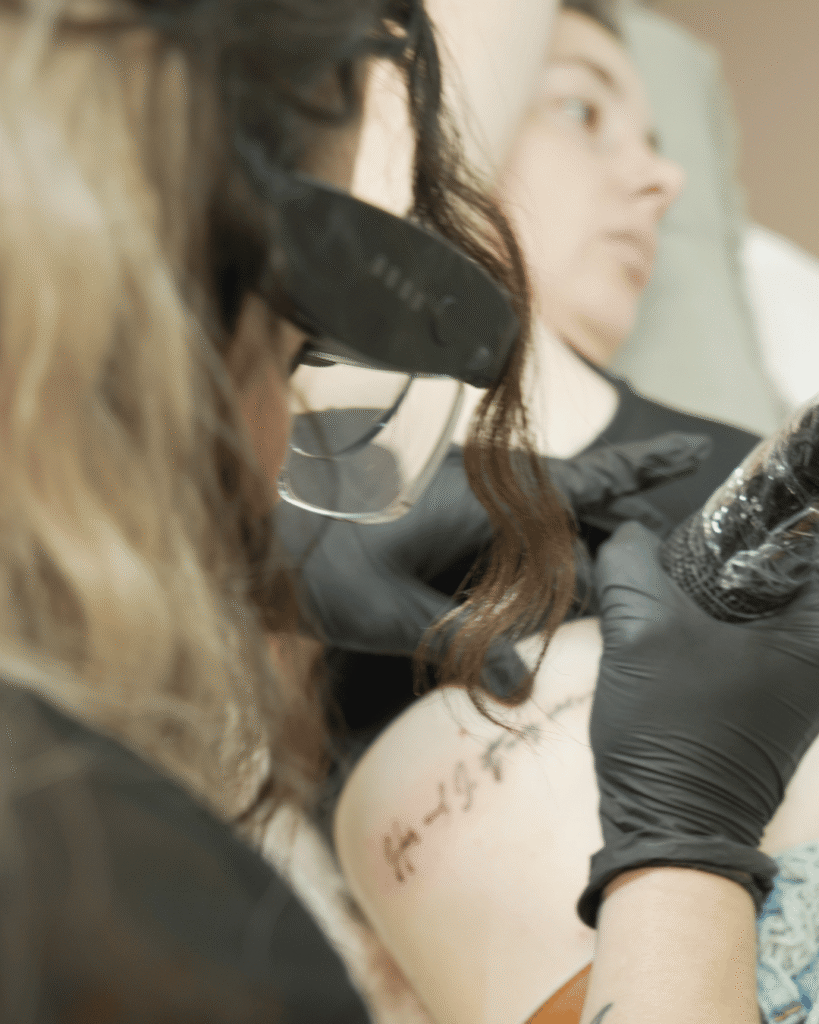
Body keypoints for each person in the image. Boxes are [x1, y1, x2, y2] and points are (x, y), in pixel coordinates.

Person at [2, 3, 819, 1024]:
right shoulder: (124, 907)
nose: (662, 178)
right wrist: (684, 840)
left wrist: (232, 563)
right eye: (297, 347)